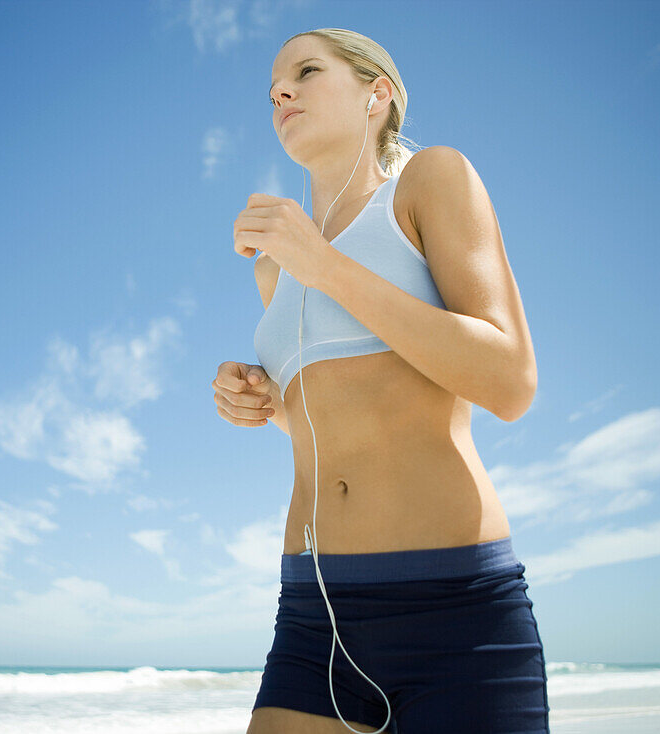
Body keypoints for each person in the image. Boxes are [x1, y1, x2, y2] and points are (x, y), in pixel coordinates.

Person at [212, 28, 550, 733]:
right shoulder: (271, 266)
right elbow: (342, 409)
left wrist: (324, 265)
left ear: (378, 94)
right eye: (274, 85)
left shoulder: (430, 181)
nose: (281, 91)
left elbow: (510, 380)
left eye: (306, 71)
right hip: (313, 613)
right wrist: (264, 398)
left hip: (454, 608)